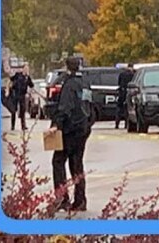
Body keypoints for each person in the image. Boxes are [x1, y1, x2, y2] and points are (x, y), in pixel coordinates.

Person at [51, 56, 91, 212]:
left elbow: (65, 108)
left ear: (67, 67)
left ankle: (62, 198)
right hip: (83, 128)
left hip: (69, 130)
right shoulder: (85, 83)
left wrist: (56, 125)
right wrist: (88, 124)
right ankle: (80, 200)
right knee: (77, 163)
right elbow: (89, 105)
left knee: (58, 161)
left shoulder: (69, 85)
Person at [114, 64, 134, 129]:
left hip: (121, 93)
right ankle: (126, 124)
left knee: (119, 109)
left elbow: (119, 83)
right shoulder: (133, 75)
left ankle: (117, 124)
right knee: (127, 110)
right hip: (128, 94)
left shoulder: (122, 74)